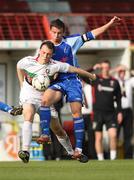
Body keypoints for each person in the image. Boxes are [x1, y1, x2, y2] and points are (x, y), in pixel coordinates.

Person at [37, 16, 122, 160]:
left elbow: (92, 34)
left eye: (59, 33)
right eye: (54, 33)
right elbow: (37, 64)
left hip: (72, 80)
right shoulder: (45, 47)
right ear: (50, 32)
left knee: (76, 113)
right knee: (44, 101)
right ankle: (45, 134)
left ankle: (78, 150)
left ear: (63, 32)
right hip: (57, 81)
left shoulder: (71, 41)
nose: (56, 36)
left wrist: (109, 24)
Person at [17, 40, 96, 163]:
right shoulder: (27, 61)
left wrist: (90, 75)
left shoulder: (55, 65)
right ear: (40, 51)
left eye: (48, 54)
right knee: (29, 114)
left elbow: (73, 69)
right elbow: (19, 67)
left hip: (44, 99)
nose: (45, 56)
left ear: (52, 54)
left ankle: (71, 152)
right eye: (43, 52)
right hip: (29, 96)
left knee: (57, 129)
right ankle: (25, 151)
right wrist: (22, 83)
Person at [82, 60, 123, 160]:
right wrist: (93, 68)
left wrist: (119, 113)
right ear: (101, 68)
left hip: (111, 113)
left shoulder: (114, 81)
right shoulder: (96, 79)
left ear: (109, 68)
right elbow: (82, 75)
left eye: (107, 67)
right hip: (97, 113)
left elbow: (118, 99)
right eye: (103, 68)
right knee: (98, 137)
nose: (105, 69)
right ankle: (101, 160)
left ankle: (113, 159)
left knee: (113, 135)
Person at [111, 64, 134, 158]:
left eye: (123, 72)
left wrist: (127, 69)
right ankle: (114, 155)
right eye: (120, 72)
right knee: (115, 134)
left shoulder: (129, 81)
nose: (122, 73)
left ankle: (128, 156)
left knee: (128, 134)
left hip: (128, 111)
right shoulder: (115, 82)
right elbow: (108, 74)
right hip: (117, 110)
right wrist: (117, 69)